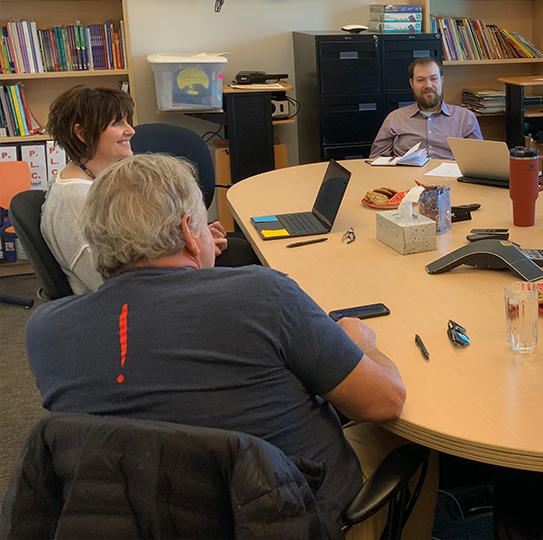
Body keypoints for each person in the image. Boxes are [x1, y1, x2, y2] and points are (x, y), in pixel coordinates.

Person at [25, 154, 409, 540]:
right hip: (294, 517)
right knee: (402, 438)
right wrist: (360, 343)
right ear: (189, 233)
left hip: (136, 523)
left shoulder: (44, 331)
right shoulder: (263, 294)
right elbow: (383, 401)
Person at [41, 86, 256, 295]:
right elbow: (113, 285)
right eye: (117, 123)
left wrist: (196, 237)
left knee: (242, 249)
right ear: (82, 133)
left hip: (154, 274)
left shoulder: (94, 178)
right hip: (139, 302)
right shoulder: (75, 202)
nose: (131, 130)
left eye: (127, 121)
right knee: (248, 264)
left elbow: (138, 238)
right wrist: (196, 252)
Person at [369, 56, 482, 160]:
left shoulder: (465, 118)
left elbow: (479, 159)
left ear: (442, 81)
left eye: (433, 78)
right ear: (411, 84)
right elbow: (376, 160)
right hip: (407, 180)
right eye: (421, 80)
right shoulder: (395, 118)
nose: (428, 85)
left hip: (450, 179)